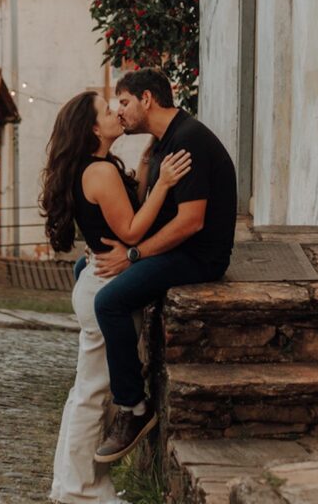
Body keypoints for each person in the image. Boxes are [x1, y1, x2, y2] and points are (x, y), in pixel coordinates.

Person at [40, 90, 192, 504]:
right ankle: (80, 491)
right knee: (94, 395)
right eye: (108, 110)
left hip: (96, 279)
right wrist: (163, 184)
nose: (117, 113)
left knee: (85, 391)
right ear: (93, 128)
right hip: (105, 285)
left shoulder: (98, 167)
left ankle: (70, 485)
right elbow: (132, 231)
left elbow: (124, 211)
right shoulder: (98, 172)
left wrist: (146, 167)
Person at [91, 67, 237, 465]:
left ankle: (133, 410)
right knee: (86, 276)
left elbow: (191, 222)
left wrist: (134, 256)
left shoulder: (187, 141)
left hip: (198, 256)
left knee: (109, 303)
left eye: (124, 102)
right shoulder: (164, 140)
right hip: (179, 249)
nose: (119, 112)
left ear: (147, 100)